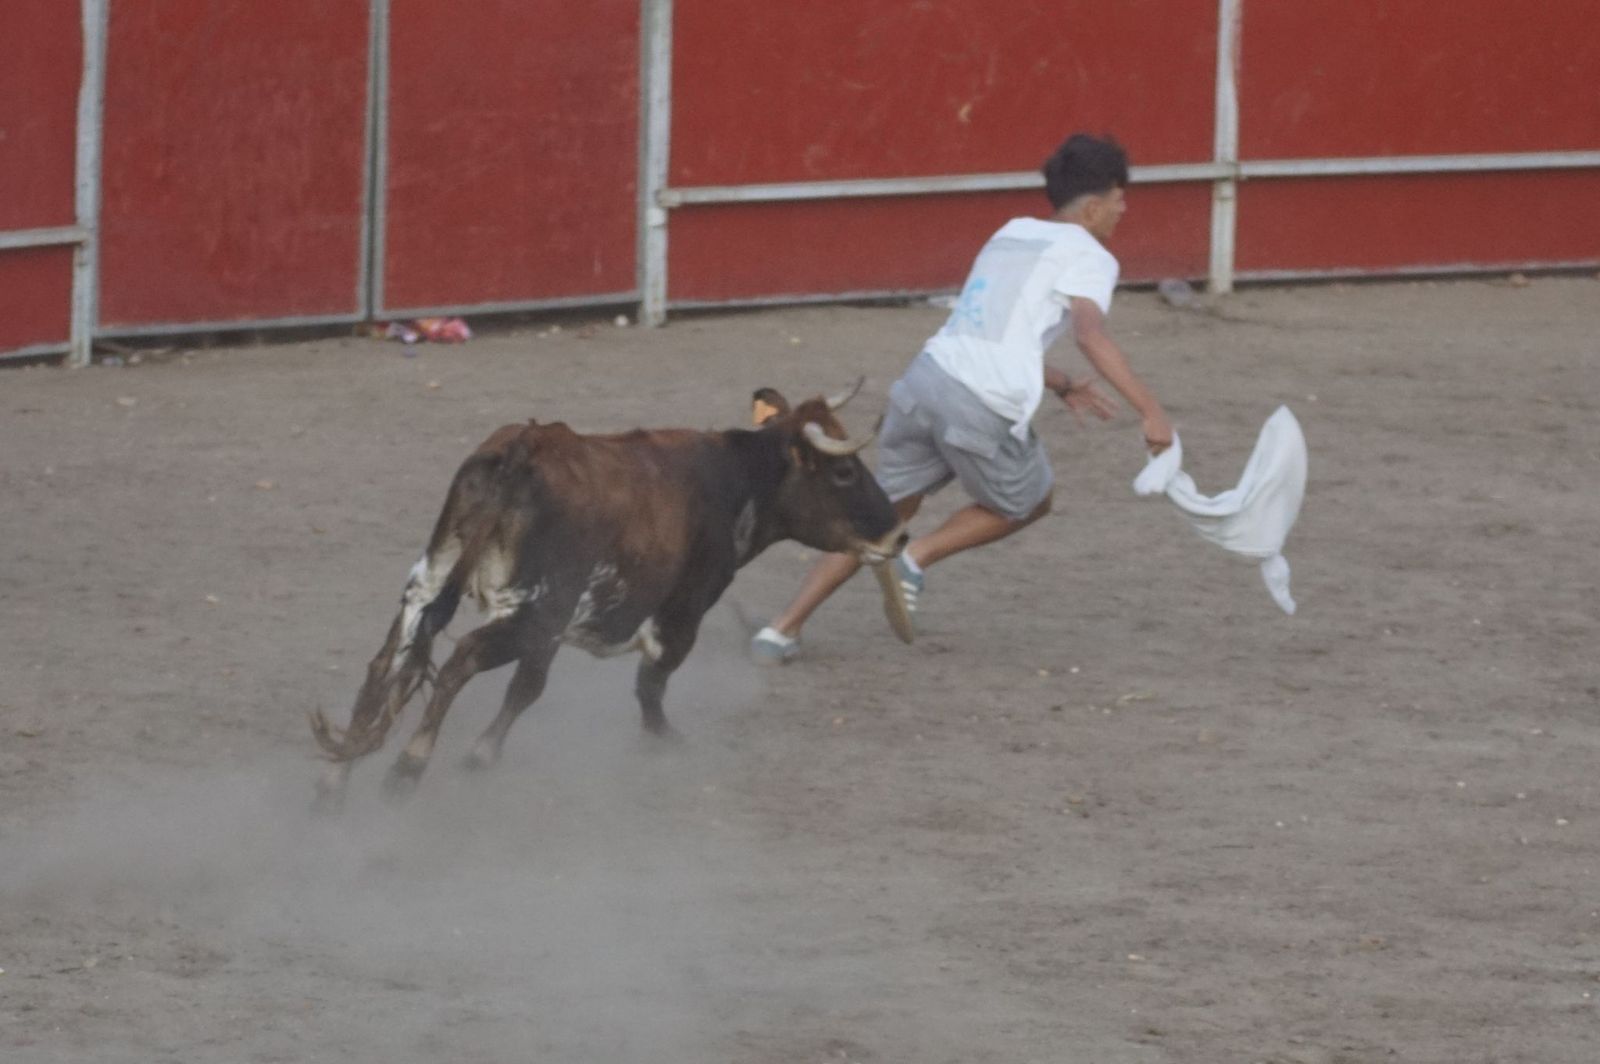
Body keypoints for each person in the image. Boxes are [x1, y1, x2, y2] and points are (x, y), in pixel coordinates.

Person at [751, 132, 1173, 663]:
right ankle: (917, 558)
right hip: (979, 403)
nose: (1124, 209)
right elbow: (1091, 335)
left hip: (925, 380)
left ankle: (781, 630)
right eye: (1119, 199)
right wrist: (1151, 411)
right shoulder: (1091, 258)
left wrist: (1060, 383)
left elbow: (992, 331)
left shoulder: (1012, 233)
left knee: (880, 515)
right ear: (1092, 208)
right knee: (1029, 499)